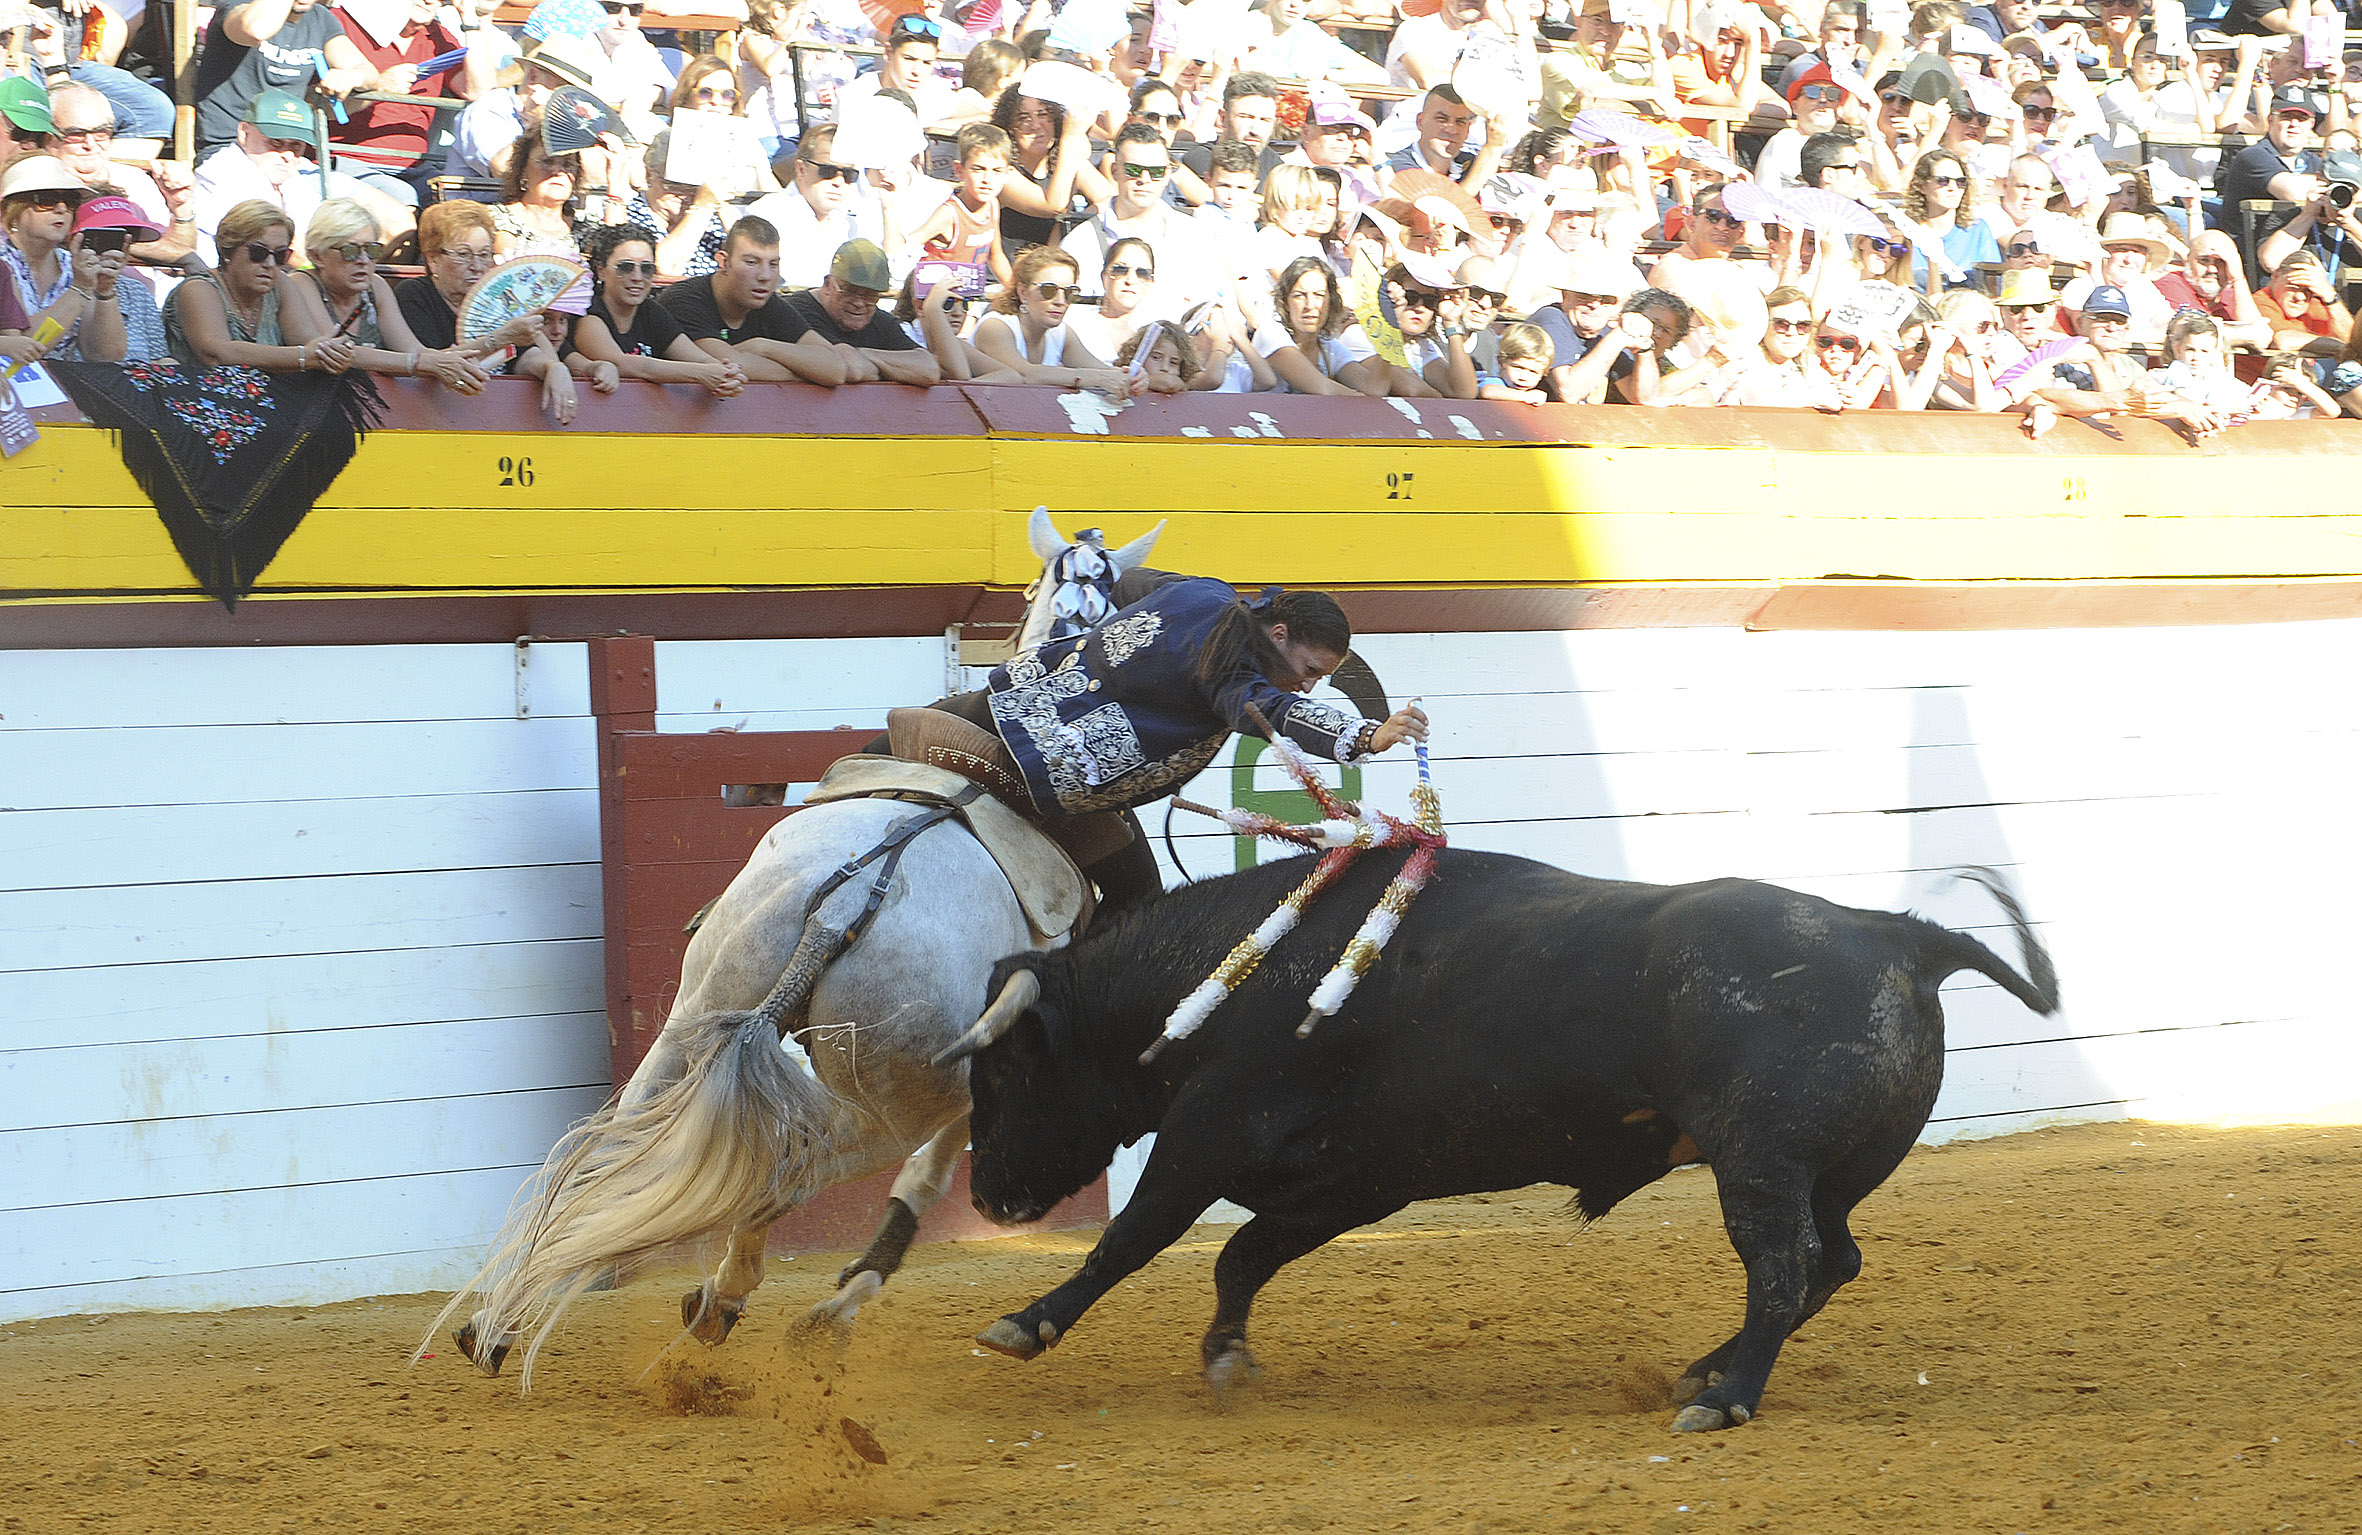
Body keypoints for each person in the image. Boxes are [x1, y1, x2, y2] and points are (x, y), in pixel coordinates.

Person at [925, 578, 1429, 910]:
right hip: (1051, 775)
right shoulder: (1229, 674)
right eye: (1310, 670)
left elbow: (1125, 580)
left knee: (873, 756)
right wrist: (1367, 733)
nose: (1308, 685)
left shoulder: (1204, 593)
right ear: (1278, 634)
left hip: (998, 706)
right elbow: (1271, 712)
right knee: (1138, 898)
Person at [277, 197, 488, 388]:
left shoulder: (375, 287)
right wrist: (420, 363)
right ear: (318, 256)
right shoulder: (301, 283)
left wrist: (498, 340)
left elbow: (413, 350)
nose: (363, 260)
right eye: (350, 251)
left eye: (372, 250)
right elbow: (335, 352)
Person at [194, 89, 414, 266]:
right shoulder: (223, 172)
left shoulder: (292, 178)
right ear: (244, 133)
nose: (288, 155)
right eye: (275, 143)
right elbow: (294, 254)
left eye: (296, 146)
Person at [656, 216, 849, 384]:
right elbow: (730, 365)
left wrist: (762, 346)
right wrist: (806, 372)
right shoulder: (685, 300)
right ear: (724, 262)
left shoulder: (768, 302)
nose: (765, 276)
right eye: (751, 262)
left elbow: (836, 369)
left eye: (773, 264)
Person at [560, 223, 746, 395]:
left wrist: (725, 373)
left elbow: (698, 358)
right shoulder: (589, 314)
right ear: (601, 271)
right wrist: (700, 373)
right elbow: (623, 364)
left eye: (647, 268)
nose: (637, 277)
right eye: (625, 267)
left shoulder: (650, 310)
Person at [164, 199, 341, 372]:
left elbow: (308, 342)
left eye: (280, 255)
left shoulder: (280, 284)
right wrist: (303, 357)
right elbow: (217, 354)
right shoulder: (198, 289)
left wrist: (332, 351)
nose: (270, 263)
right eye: (258, 252)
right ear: (227, 250)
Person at [192, 0, 377, 159]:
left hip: (289, 154)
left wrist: (352, 76)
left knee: (382, 198)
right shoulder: (240, 6)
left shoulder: (320, 19)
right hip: (231, 149)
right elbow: (256, 30)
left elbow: (369, 74)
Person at [48, 83, 198, 273]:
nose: (91, 144)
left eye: (101, 133)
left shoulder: (134, 181)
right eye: (76, 135)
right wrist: (129, 245)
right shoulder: (39, 187)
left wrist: (181, 207)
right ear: (48, 136)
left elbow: (179, 260)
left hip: (140, 299)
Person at [0, 156, 126, 365]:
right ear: (9, 211)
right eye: (46, 200)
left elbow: (106, 356)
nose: (61, 209)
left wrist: (105, 291)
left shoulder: (74, 264)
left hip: (62, 386)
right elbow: (24, 348)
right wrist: (80, 289)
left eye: (70, 201)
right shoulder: (2, 263)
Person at [778, 238, 944, 385]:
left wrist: (862, 353)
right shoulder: (797, 310)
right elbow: (850, 368)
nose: (859, 303)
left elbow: (929, 370)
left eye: (870, 295)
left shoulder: (880, 320)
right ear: (828, 285)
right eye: (850, 291)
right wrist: (893, 368)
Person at [973, 244, 1127, 391]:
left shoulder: (1062, 334)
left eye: (1069, 292)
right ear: (1023, 293)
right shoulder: (995, 326)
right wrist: (1096, 378)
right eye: (1049, 290)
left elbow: (1103, 371)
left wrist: (1132, 377)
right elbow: (1024, 374)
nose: (1060, 301)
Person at [1253, 254, 1387, 395]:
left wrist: (1388, 329)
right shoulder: (1270, 333)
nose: (1310, 305)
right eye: (1299, 295)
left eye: (1319, 295)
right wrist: (1360, 398)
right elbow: (1321, 387)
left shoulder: (1330, 347)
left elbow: (1374, 389)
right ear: (1286, 302)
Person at [907, 123, 1014, 287]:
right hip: (934, 298)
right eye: (978, 169)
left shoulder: (992, 205)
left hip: (966, 295)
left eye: (997, 171)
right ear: (959, 170)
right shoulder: (949, 214)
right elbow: (905, 249)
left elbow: (995, 255)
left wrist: (1014, 291)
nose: (987, 179)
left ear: (1007, 174)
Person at [1714, 283, 1842, 408]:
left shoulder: (1809, 365)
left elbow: (1833, 401)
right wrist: (1813, 400)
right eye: (1781, 324)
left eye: (1802, 326)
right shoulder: (1744, 360)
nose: (1792, 333)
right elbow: (1761, 401)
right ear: (1763, 325)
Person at [1062, 236, 1158, 365]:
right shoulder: (1073, 323)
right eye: (1120, 270)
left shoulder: (1153, 337)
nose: (1130, 280)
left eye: (1142, 273)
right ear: (1105, 277)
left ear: (1151, 282)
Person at [490, 131, 585, 256]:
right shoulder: (495, 220)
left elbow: (612, 253)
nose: (558, 171)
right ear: (523, 170)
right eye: (547, 161)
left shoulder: (584, 225)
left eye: (568, 164)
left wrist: (615, 174)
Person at [1477, 319, 1553, 403]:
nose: (1523, 377)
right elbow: (1487, 392)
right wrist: (1527, 397)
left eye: (1533, 371)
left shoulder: (1528, 393)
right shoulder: (1495, 383)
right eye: (1518, 367)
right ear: (1501, 363)